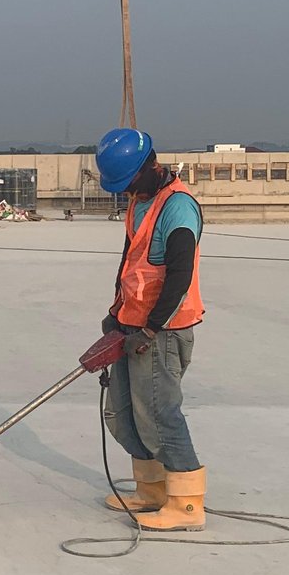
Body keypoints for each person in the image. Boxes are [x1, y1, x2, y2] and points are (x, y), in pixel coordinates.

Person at [93, 127, 207, 531]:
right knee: (122, 413)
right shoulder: (138, 202)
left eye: (128, 182)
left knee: (160, 414)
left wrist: (151, 329)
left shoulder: (178, 208)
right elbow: (131, 263)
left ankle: (187, 504)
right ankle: (152, 489)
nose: (126, 191)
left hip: (163, 330)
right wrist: (116, 313)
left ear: (148, 167)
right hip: (130, 323)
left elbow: (179, 275)